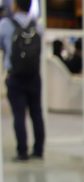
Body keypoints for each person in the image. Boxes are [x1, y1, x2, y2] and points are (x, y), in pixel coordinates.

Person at [0, 0, 45, 161]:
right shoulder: (38, 26)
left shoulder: (6, 24)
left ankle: (22, 151)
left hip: (15, 76)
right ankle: (39, 150)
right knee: (36, 113)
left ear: (15, 5)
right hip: (34, 75)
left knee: (19, 114)